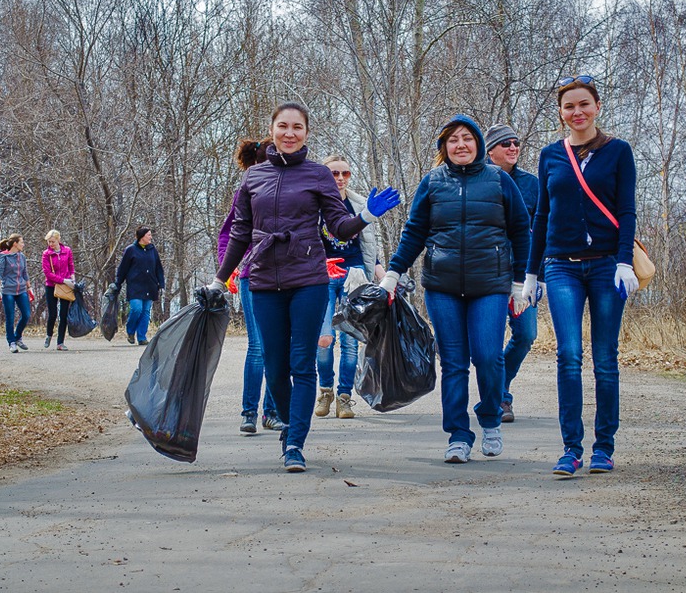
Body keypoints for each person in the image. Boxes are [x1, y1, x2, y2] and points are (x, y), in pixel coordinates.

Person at [210, 101, 400, 472]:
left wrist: (365, 216)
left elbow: (339, 226)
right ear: (273, 130)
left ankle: (294, 442)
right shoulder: (253, 178)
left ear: (306, 133)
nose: (290, 133)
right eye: (283, 126)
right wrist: (221, 278)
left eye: (297, 127)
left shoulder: (318, 176)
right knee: (276, 366)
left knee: (302, 364)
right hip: (264, 281)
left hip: (308, 281)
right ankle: (286, 422)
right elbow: (239, 233)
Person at [378, 115, 530, 464]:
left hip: (490, 285)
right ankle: (459, 435)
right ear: (444, 147)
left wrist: (520, 283)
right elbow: (414, 232)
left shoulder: (499, 180)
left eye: (467, 138)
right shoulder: (433, 182)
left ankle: (490, 418)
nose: (460, 145)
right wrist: (393, 273)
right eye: (453, 140)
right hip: (442, 286)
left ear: (478, 144)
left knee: (489, 357)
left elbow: (522, 231)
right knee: (454, 363)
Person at [522, 75, 638, 476]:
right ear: (561, 113)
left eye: (584, 104)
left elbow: (626, 211)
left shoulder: (619, 152)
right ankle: (571, 448)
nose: (577, 112)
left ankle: (603, 447)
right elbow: (542, 216)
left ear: (597, 107)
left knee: (605, 358)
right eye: (569, 106)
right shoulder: (551, 155)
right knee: (568, 355)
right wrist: (531, 274)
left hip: (608, 264)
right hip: (560, 267)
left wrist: (625, 261)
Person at [218, 138, 284, 434]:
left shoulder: (291, 191)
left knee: (277, 347)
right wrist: (227, 269)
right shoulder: (245, 192)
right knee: (258, 347)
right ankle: (249, 413)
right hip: (251, 276)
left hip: (286, 277)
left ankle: (272, 413)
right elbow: (228, 235)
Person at [314, 154, 384, 420]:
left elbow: (368, 247)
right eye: (334, 173)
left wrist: (382, 273)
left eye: (345, 173)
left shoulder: (359, 204)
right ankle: (325, 391)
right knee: (324, 339)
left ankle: (344, 398)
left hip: (353, 276)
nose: (340, 179)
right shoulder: (314, 205)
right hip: (322, 276)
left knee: (351, 342)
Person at [485, 124, 541, 423]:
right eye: (506, 143)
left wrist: (539, 276)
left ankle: (500, 385)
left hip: (522, 275)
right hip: (488, 273)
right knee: (490, 340)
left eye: (516, 142)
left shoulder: (532, 184)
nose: (513, 147)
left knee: (526, 334)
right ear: (490, 150)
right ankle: (501, 400)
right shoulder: (479, 180)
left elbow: (541, 231)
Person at [112, 226, 165, 345]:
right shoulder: (131, 250)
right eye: (149, 235)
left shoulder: (152, 250)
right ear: (142, 237)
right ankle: (130, 331)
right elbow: (123, 268)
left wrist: (161, 283)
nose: (151, 237)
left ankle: (142, 336)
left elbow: (158, 267)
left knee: (146, 311)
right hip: (135, 285)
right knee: (136, 309)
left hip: (150, 285)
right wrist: (118, 283)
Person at [0, 234, 34, 353]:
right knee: (10, 317)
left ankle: (18, 337)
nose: (23, 244)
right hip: (8, 290)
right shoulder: (4, 257)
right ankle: (11, 342)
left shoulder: (21, 256)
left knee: (26, 314)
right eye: (21, 242)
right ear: (15, 244)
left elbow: (25, 273)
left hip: (21, 289)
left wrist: (29, 287)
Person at [41, 229, 75, 352]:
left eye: (53, 242)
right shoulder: (46, 254)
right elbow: (47, 273)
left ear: (58, 240)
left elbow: (71, 266)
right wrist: (62, 280)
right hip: (52, 285)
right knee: (53, 313)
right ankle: (49, 334)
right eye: (49, 242)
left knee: (64, 314)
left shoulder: (67, 251)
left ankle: (60, 342)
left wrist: (72, 278)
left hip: (66, 286)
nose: (51, 244)